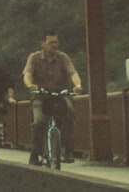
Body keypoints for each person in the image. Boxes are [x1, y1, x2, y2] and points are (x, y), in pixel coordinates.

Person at [23, 30, 83, 165]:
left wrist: (77, 84)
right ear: (42, 43)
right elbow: (27, 74)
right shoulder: (34, 57)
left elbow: (72, 72)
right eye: (51, 42)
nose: (54, 45)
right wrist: (30, 84)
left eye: (56, 42)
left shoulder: (63, 57)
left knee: (70, 113)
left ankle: (68, 151)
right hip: (40, 94)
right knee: (39, 121)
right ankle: (35, 154)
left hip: (60, 93)